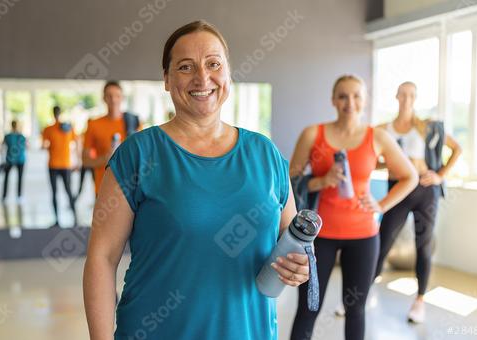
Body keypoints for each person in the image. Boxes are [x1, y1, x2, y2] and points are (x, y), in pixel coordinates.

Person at [84, 20, 310, 340]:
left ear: (228, 73)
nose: (202, 78)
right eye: (186, 67)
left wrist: (298, 268)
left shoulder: (266, 154)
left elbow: (289, 240)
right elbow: (102, 258)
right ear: (166, 78)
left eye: (214, 64)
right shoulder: (137, 155)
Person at [289, 75, 418, 340]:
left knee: (355, 309)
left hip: (363, 237)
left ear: (365, 100)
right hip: (318, 238)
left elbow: (410, 176)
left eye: (356, 95)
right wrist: (322, 181)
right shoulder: (313, 134)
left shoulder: (377, 136)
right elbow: (289, 181)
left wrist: (381, 205)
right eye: (343, 96)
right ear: (333, 100)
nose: (350, 102)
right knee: (308, 308)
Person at [375, 81, 462, 323]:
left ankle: (419, 301)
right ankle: (358, 296)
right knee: (382, 242)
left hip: (425, 191)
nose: (406, 98)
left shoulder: (426, 127)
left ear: (415, 98)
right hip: (397, 190)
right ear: (396, 96)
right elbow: (372, 161)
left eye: (411, 94)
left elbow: (457, 149)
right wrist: (389, 162)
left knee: (423, 245)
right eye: (402, 93)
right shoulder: (383, 129)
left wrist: (440, 175)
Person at [81, 81, 142, 195]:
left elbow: (143, 157)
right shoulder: (94, 125)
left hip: (131, 189)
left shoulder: (134, 123)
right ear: (104, 98)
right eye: (109, 96)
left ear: (122, 98)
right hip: (104, 189)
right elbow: (85, 161)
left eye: (117, 96)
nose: (113, 100)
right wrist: (105, 159)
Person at [42, 106, 79, 227]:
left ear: (53, 114)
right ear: (60, 113)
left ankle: (57, 220)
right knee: (68, 191)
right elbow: (76, 142)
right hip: (65, 165)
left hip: (53, 164)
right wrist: (77, 160)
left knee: (54, 192)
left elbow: (44, 145)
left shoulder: (48, 129)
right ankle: (75, 219)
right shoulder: (68, 128)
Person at [1, 120, 27, 202]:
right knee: (19, 178)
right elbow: (26, 146)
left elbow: (1, 148)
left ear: (11, 126)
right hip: (20, 160)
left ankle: (4, 196)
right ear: (17, 126)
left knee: (6, 178)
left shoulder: (7, 136)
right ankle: (19, 196)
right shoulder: (22, 136)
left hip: (9, 160)